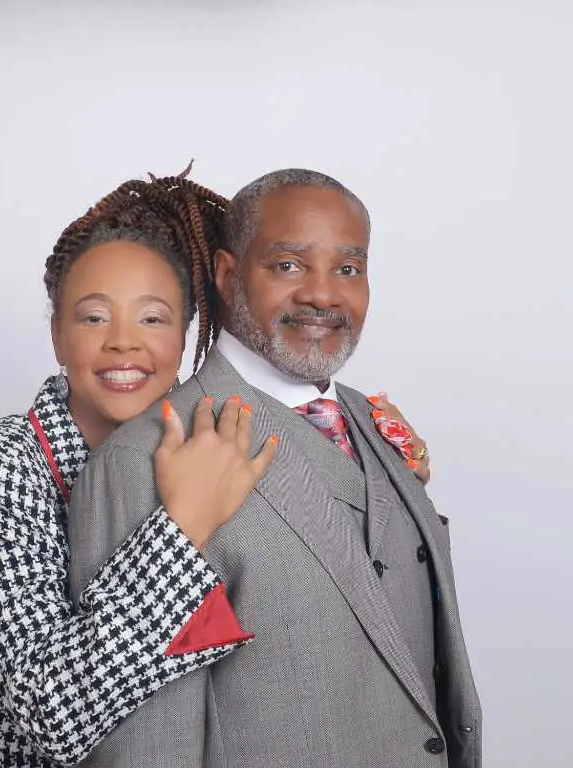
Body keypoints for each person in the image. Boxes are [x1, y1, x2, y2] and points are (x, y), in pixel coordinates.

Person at [68, 169, 481, 767]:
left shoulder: (375, 423)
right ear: (229, 275)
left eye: (348, 268)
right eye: (289, 265)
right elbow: (148, 748)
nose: (323, 293)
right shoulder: (147, 458)